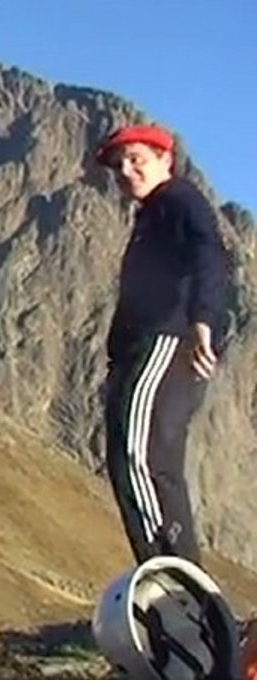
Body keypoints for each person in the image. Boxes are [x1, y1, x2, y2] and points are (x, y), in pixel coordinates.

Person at [95, 124, 229, 566]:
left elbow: (208, 252)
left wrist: (202, 320)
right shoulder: (154, 213)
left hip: (162, 341)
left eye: (136, 159)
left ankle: (167, 570)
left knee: (135, 454)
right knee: (154, 458)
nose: (126, 171)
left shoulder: (177, 200)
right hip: (150, 345)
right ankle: (181, 573)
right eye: (118, 165)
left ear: (165, 160)